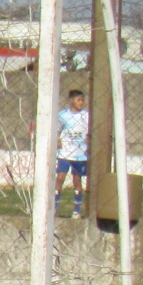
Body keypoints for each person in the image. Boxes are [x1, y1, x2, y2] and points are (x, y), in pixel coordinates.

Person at [55, 89, 89, 220]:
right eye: (78, 100)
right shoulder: (62, 115)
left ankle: (76, 211)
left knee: (77, 181)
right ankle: (54, 208)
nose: (81, 103)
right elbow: (57, 129)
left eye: (82, 100)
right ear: (71, 101)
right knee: (60, 178)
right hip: (65, 152)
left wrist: (88, 145)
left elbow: (89, 132)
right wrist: (58, 140)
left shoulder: (86, 115)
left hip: (80, 154)